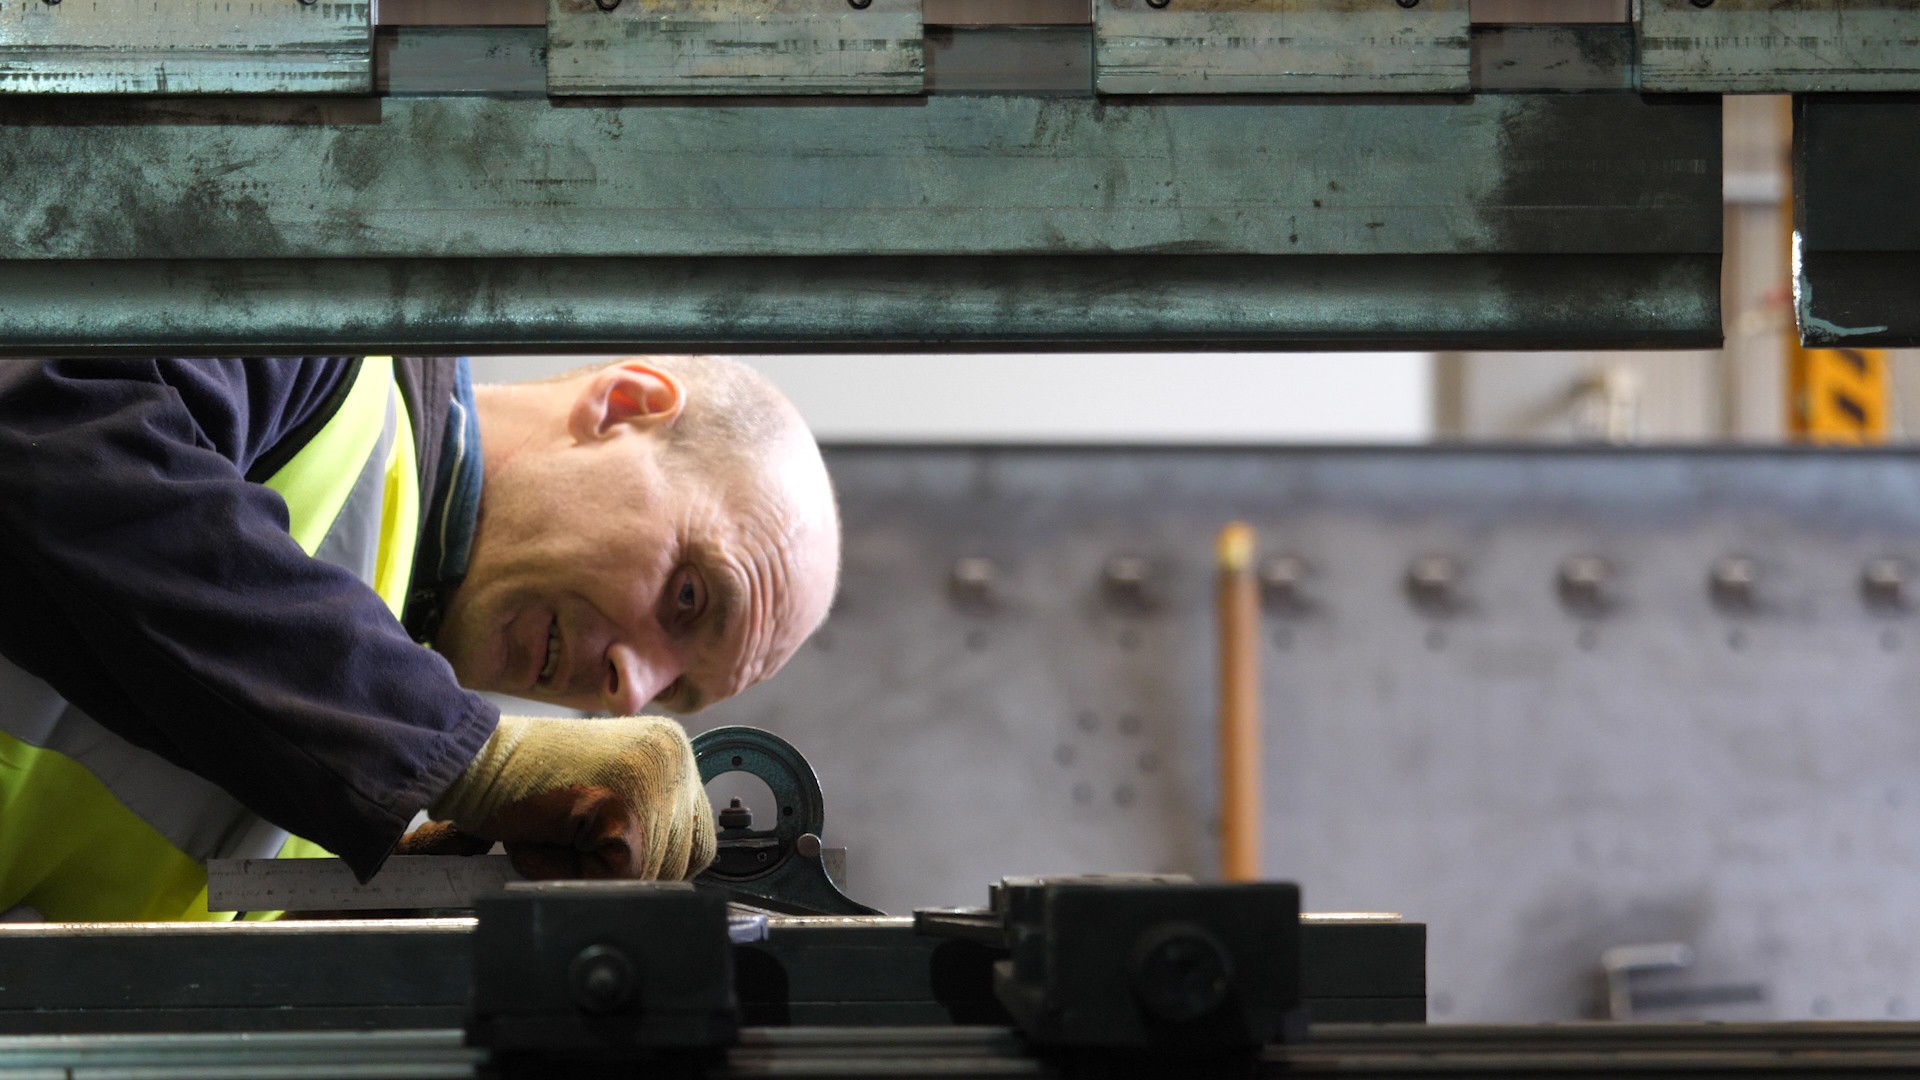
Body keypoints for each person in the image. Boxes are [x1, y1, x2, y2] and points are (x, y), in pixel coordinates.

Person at [0, 357, 840, 921]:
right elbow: (62, 442)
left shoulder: (360, 746)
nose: (630, 687)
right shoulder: (336, 337)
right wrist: (465, 756)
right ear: (622, 407)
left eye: (674, 694)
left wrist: (392, 885)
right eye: (687, 595)